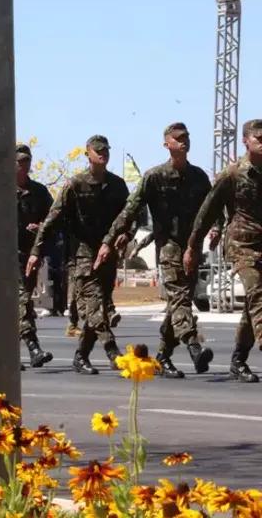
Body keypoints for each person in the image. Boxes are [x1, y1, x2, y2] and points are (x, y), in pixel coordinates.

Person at [99, 123, 213, 378]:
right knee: (181, 298)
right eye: (178, 138)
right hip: (169, 246)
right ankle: (194, 346)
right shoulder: (154, 177)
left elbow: (211, 208)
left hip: (192, 246)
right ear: (167, 144)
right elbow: (131, 210)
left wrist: (215, 229)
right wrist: (110, 239)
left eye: (187, 137)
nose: (184, 142)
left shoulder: (199, 177)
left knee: (177, 304)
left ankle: (162, 357)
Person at [29, 135, 129, 375]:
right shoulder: (75, 185)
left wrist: (126, 234)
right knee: (94, 306)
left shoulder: (117, 185)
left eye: (105, 150)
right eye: (97, 151)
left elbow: (130, 215)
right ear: (88, 155)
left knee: (100, 308)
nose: (102, 154)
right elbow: (52, 219)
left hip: (108, 255)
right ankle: (113, 352)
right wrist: (36, 251)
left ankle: (81, 355)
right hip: (83, 254)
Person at [187, 118, 262, 383]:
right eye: (259, 140)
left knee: (252, 306)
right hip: (241, 245)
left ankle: (238, 361)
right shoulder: (232, 174)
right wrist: (193, 246)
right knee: (257, 292)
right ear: (246, 141)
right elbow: (207, 212)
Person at [13, 144, 56, 369]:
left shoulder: (39, 192)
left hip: (29, 256)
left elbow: (53, 222)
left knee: (18, 306)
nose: (23, 166)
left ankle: (8, 354)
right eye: (20, 162)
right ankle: (33, 347)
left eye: (27, 161)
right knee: (22, 302)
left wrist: (39, 228)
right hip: (5, 257)